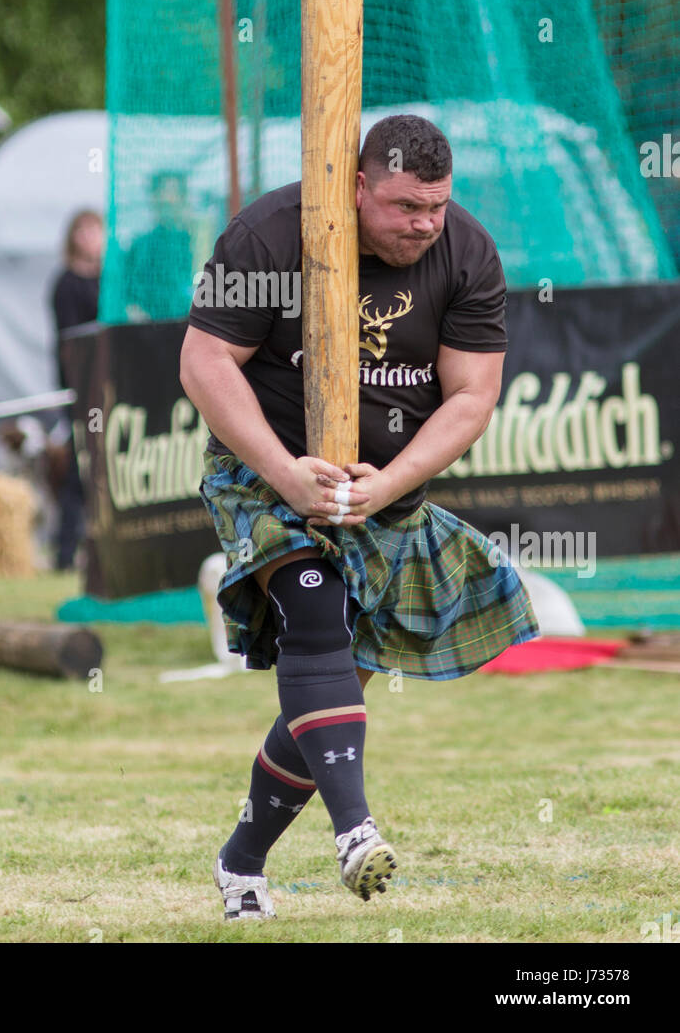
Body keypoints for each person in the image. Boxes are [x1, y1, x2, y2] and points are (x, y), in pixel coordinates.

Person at [180, 113, 539, 920]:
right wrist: (284, 471)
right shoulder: (270, 235)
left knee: (335, 685)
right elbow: (203, 362)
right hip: (264, 476)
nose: (424, 225)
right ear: (356, 186)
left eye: (436, 207)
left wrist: (389, 484)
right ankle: (356, 834)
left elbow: (473, 395)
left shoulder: (468, 252)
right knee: (314, 612)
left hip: (385, 497)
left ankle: (241, 863)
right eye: (406, 206)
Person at [50, 210, 103, 570]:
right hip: (80, 388)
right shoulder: (66, 283)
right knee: (76, 471)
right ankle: (65, 552)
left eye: (94, 229)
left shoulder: (111, 280)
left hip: (109, 382)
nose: (89, 237)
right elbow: (69, 340)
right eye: (82, 230)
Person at [125, 171, 194, 322]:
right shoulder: (141, 245)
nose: (168, 198)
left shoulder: (196, 241)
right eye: (162, 192)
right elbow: (129, 295)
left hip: (194, 328)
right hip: (151, 332)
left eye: (173, 192)